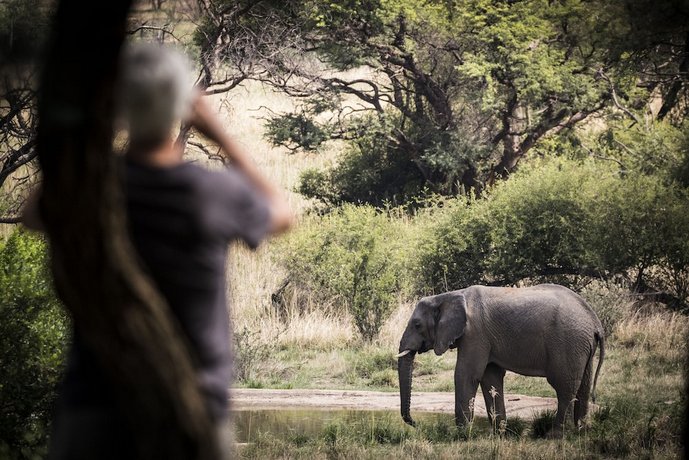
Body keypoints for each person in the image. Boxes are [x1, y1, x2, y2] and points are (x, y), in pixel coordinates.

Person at [23, 42, 293, 458]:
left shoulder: (93, 192)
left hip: (96, 400)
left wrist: (92, 129)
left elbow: (34, 212)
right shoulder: (209, 193)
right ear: (181, 106)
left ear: (118, 104)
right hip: (194, 405)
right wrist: (221, 136)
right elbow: (282, 214)